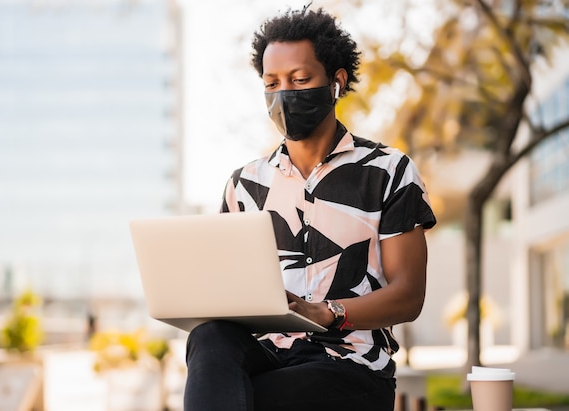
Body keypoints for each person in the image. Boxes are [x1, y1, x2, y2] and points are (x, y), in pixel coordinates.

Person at [184, 6, 436, 411]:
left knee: (250, 400)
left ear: (336, 82)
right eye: (272, 83)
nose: (284, 94)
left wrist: (325, 313)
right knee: (208, 337)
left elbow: (408, 296)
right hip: (268, 355)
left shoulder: (388, 171)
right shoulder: (244, 185)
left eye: (300, 80)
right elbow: (230, 289)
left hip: (350, 365)